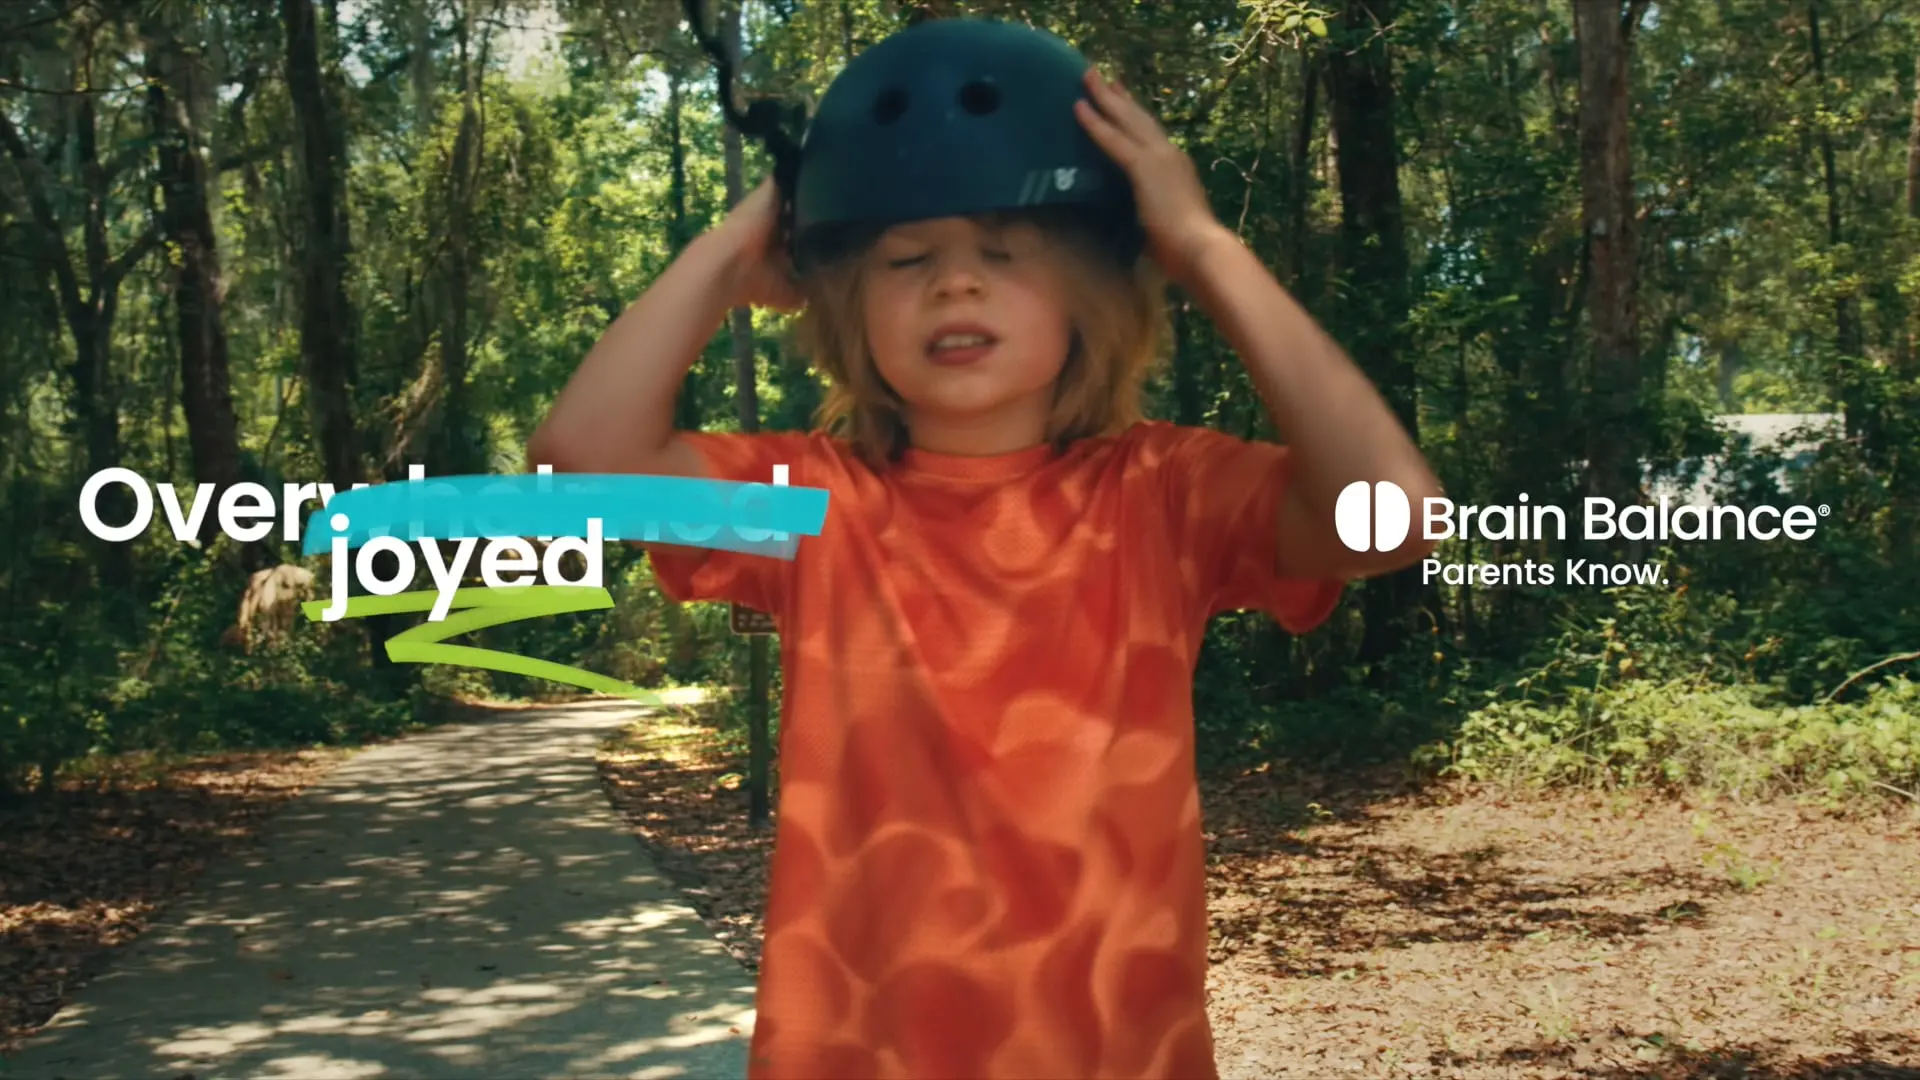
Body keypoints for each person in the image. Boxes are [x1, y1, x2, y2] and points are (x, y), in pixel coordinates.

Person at [528, 16, 1441, 1080]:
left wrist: (1202, 246)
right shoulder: (812, 505)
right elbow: (577, 460)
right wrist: (737, 250)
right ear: (845, 305)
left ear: (1090, 296)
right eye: (906, 259)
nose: (953, 284)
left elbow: (1392, 516)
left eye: (1002, 254)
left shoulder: (1163, 495)